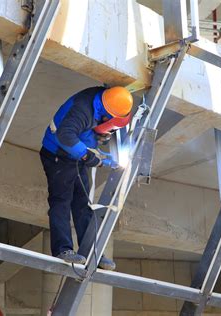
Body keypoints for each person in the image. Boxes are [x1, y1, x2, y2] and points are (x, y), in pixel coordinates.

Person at [40, 86, 133, 270]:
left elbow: (86, 133)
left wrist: (101, 152)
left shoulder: (104, 103)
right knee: (61, 202)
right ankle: (63, 249)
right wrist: (87, 156)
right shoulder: (82, 110)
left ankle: (92, 252)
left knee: (83, 205)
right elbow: (65, 136)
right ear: (107, 115)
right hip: (58, 156)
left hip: (74, 157)